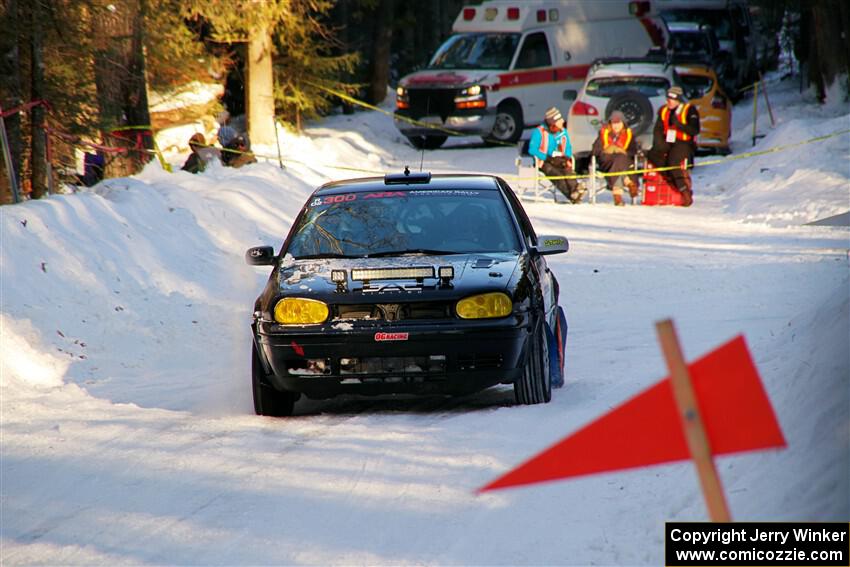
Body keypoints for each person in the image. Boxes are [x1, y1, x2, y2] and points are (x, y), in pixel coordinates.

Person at [646, 86, 700, 206]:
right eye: (667, 99)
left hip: (684, 142)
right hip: (668, 141)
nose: (668, 102)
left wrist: (679, 125)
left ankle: (684, 190)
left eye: (671, 100)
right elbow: (658, 129)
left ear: (678, 100)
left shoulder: (689, 110)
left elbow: (695, 130)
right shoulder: (663, 110)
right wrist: (658, 144)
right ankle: (671, 177)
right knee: (652, 154)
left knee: (673, 161)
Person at [529, 106, 583, 204]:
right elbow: (532, 149)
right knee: (556, 174)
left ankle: (576, 189)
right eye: (559, 120)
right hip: (545, 161)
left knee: (567, 169)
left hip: (560, 159)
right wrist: (546, 157)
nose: (562, 121)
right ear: (552, 122)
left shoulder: (563, 132)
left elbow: (568, 147)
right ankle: (572, 194)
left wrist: (566, 156)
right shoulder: (539, 132)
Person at [591, 111, 639, 206]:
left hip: (624, 162)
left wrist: (620, 150)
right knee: (617, 161)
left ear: (623, 124)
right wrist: (609, 150)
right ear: (610, 123)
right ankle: (628, 182)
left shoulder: (629, 135)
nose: (616, 126)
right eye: (614, 123)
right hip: (607, 162)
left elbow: (633, 151)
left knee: (620, 158)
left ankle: (617, 195)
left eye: (618, 123)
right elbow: (595, 150)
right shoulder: (603, 134)